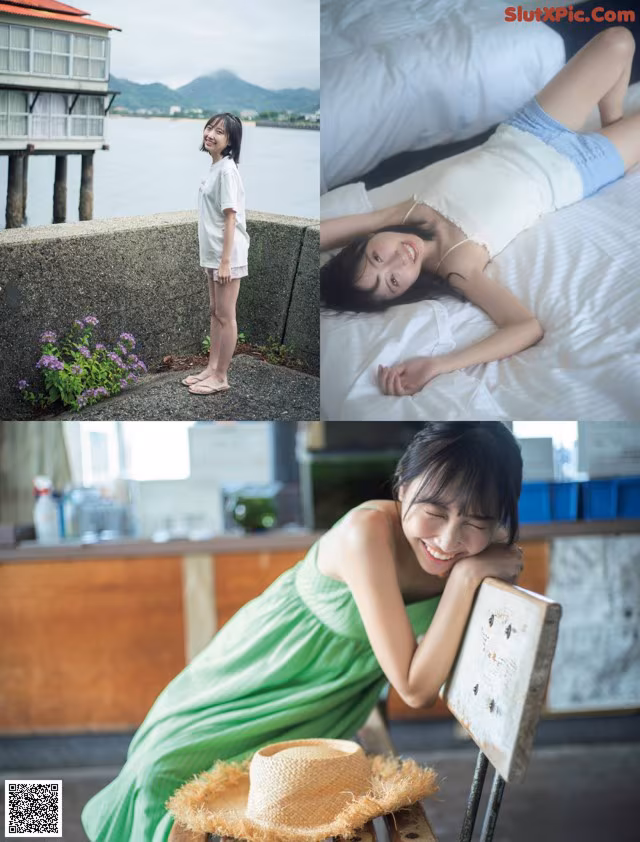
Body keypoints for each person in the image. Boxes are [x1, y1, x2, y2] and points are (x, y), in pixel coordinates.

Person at [81, 422, 525, 842]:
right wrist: (465, 578)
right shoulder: (367, 532)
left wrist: (469, 573)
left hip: (326, 706)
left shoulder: (482, 553)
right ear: (403, 488)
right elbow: (414, 687)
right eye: (434, 512)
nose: (448, 540)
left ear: (497, 522)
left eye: (476, 522)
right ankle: (37, 820)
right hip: (262, 666)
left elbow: (430, 674)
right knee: (156, 770)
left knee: (236, 787)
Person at [320, 28, 639, 397]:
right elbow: (525, 327)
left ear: (366, 239)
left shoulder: (398, 216)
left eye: (377, 257)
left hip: (529, 129)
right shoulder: (457, 268)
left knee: (618, 41)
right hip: (578, 168)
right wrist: (439, 365)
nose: (397, 261)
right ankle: (617, 136)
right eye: (393, 281)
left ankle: (613, 122)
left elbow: (318, 233)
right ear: (404, 292)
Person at [181, 113, 250, 396]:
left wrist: (224, 262)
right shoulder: (216, 167)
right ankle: (211, 368)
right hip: (214, 253)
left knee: (226, 315)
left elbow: (230, 217)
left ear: (230, 140)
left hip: (227, 255)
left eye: (219, 132)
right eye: (209, 128)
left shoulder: (227, 171)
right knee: (215, 312)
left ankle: (221, 376)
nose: (210, 134)